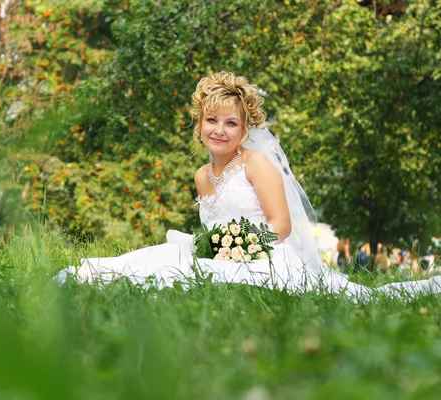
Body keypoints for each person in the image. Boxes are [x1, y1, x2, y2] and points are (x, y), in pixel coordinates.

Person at [56, 71, 441, 300]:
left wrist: (234, 247)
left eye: (231, 123)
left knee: (187, 276)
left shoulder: (256, 164)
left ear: (244, 130)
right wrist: (214, 245)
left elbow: (281, 225)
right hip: (220, 253)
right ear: (200, 124)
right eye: (212, 121)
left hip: (268, 256)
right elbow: (212, 229)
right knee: (151, 263)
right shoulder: (201, 176)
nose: (219, 131)